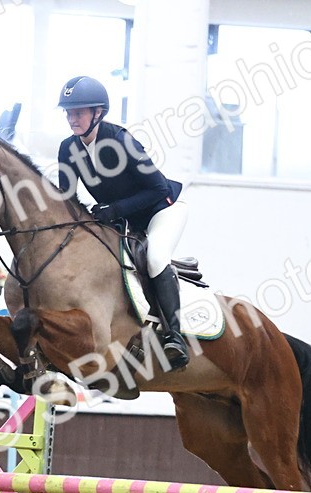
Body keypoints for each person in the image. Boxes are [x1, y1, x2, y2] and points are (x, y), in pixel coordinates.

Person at [55, 75, 189, 370]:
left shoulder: (121, 141)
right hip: (121, 221)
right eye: (68, 112)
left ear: (98, 113)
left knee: (154, 257)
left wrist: (113, 209)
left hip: (160, 212)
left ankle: (174, 336)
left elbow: (159, 189)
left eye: (78, 112)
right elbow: (66, 197)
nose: (71, 118)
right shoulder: (68, 149)